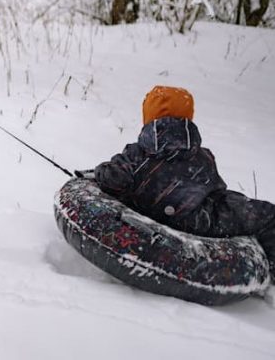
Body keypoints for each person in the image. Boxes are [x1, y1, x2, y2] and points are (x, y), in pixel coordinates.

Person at [93, 85, 275, 272]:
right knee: (267, 215)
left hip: (149, 212)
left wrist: (100, 172)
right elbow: (216, 189)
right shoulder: (202, 156)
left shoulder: (135, 154)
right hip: (199, 222)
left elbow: (114, 180)